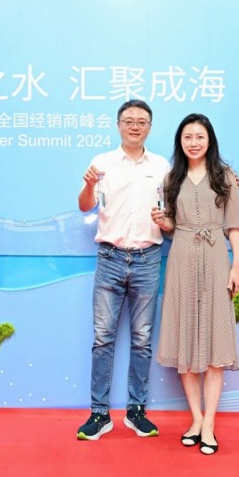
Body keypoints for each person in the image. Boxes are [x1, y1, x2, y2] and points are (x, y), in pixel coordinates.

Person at [151, 113, 239, 455]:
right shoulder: (171, 178)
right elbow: (171, 226)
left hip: (216, 258)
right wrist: (163, 222)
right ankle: (195, 418)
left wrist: (236, 265)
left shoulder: (225, 177)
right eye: (187, 137)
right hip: (181, 258)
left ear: (210, 140)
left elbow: (233, 224)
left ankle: (209, 425)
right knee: (185, 343)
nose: (193, 142)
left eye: (199, 137)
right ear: (180, 141)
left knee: (214, 344)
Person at [76, 99, 171, 441]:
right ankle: (99, 414)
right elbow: (85, 206)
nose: (135, 126)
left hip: (148, 259)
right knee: (103, 338)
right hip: (110, 257)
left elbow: (170, 216)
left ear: (149, 127)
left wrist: (165, 220)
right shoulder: (101, 163)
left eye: (141, 121)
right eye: (129, 120)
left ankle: (136, 411)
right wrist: (89, 185)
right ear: (118, 125)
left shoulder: (161, 166)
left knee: (142, 340)